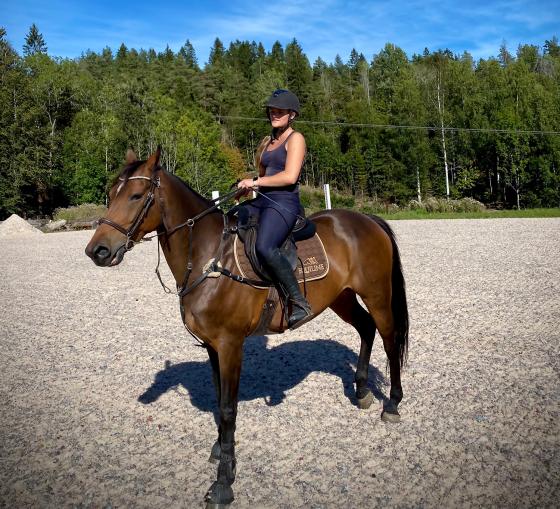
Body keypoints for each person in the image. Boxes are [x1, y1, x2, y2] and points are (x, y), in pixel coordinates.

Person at [237, 89, 312, 329]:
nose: (274, 113)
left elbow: (289, 177)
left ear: (292, 114)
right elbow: (264, 176)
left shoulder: (295, 138)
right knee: (229, 222)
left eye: (280, 111)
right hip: (263, 199)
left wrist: (256, 182)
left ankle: (299, 302)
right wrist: (248, 188)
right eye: (272, 110)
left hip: (285, 202)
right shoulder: (269, 142)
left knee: (265, 245)